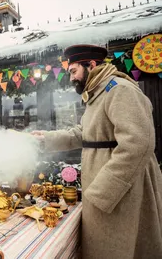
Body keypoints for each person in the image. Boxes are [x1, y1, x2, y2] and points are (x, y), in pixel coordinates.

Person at [32, 45, 162, 259]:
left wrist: (103, 190)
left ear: (91, 65)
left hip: (120, 194)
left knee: (119, 249)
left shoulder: (119, 89)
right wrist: (45, 138)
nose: (71, 78)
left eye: (74, 71)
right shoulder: (98, 93)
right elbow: (83, 134)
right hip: (105, 192)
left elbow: (138, 143)